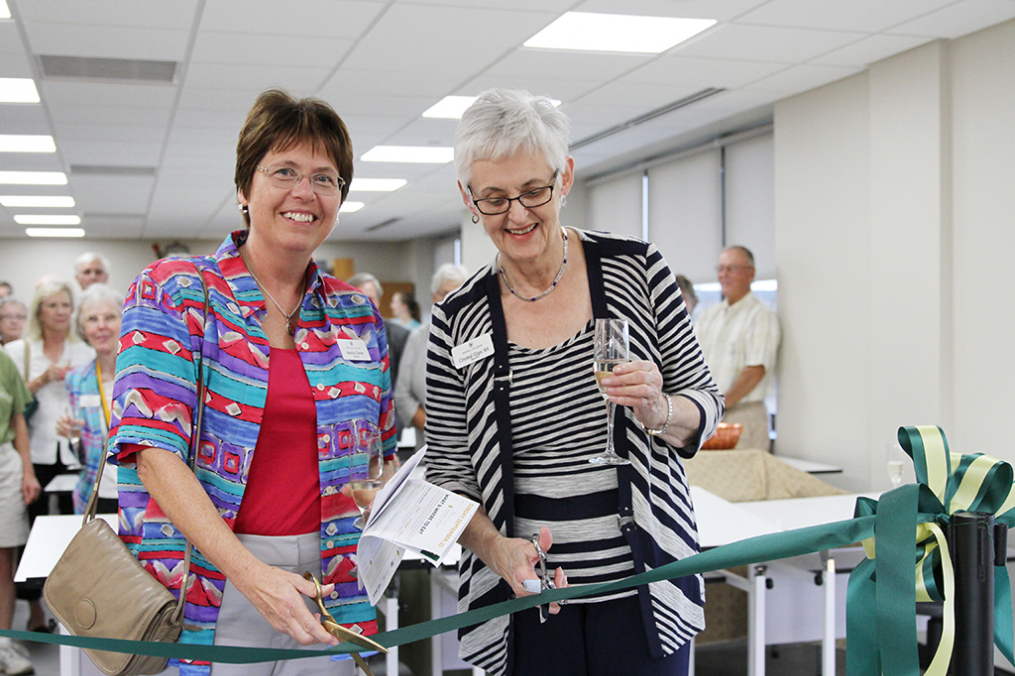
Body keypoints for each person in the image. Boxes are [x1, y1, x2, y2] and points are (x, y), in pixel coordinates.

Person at [424, 89, 723, 676]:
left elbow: (704, 405)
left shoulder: (637, 268)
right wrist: (495, 550)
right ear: (468, 197)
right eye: (493, 198)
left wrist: (659, 408)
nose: (516, 215)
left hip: (645, 589)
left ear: (564, 178)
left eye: (534, 191)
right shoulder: (457, 316)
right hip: (525, 599)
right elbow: (448, 476)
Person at [106, 89, 396, 676]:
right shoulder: (178, 290)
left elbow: (378, 456)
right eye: (283, 171)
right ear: (244, 188)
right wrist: (251, 574)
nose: (304, 192)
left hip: (331, 584)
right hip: (207, 580)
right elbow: (151, 451)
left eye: (325, 178)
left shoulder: (356, 315)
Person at [4, 279, 93, 632]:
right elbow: (10, 404)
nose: (59, 312)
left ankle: (72, 606)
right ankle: (35, 611)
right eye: (52, 305)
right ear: (39, 310)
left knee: (76, 533)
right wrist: (41, 379)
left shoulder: (85, 352)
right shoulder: (18, 352)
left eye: (65, 306)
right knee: (30, 533)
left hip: (76, 452)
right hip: (33, 452)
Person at [695, 246, 780, 451]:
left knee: (743, 481)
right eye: (721, 268)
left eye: (731, 268)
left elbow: (754, 371)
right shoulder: (708, 316)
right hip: (709, 416)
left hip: (743, 416)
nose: (724, 274)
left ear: (751, 273)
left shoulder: (761, 316)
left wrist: (719, 405)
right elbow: (692, 362)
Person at [54, 284, 122, 514]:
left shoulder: (144, 376)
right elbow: (82, 455)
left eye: (110, 317)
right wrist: (72, 436)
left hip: (143, 494)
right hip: (95, 494)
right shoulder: (77, 381)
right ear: (83, 329)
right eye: (92, 319)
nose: (101, 326)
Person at [394, 264, 468, 449]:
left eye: (460, 292)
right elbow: (402, 395)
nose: (453, 299)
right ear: (435, 297)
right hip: (430, 450)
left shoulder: (483, 338)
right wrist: (438, 432)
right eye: (446, 293)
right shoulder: (418, 338)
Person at [0, 349, 40, 676]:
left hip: (4, 466)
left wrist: (28, 471)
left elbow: (17, 418)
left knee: (3, 561)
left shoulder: (3, 360)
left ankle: (3, 645)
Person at [348, 272, 409, 407]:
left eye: (370, 299)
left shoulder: (399, 336)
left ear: (379, 302)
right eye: (357, 298)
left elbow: (403, 388)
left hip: (389, 416)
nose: (363, 304)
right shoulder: (334, 337)